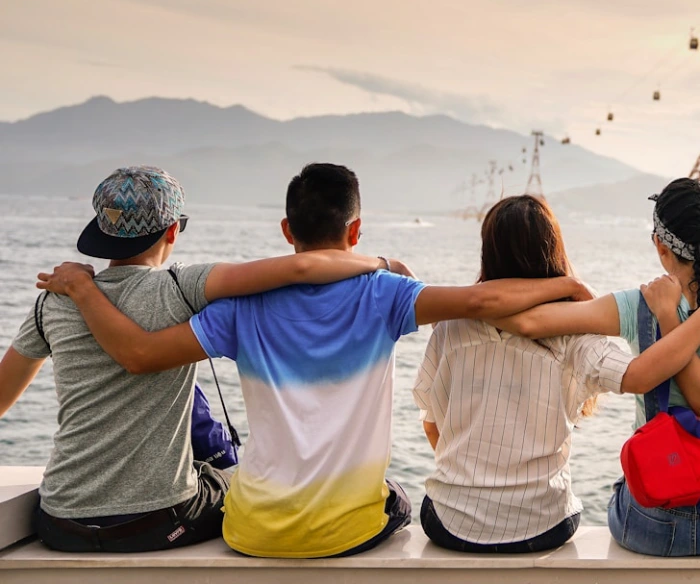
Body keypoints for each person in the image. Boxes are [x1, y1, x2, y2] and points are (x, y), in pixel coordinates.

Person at [35, 163, 595, 559]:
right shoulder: (386, 295)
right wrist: (570, 284)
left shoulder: (240, 307)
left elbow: (142, 353)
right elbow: (484, 301)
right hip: (346, 533)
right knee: (397, 495)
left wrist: (84, 292)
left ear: (286, 230)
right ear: (355, 230)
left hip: (251, 531)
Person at [0, 165, 403, 553]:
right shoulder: (182, 287)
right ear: (173, 229)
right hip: (155, 522)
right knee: (230, 481)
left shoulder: (53, 301)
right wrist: (382, 264)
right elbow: (301, 267)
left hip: (60, 522)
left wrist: (81, 287)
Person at [413, 193, 700, 554]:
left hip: (452, 525)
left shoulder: (449, 330)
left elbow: (431, 424)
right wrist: (571, 285)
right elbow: (636, 376)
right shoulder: (576, 338)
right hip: (544, 524)